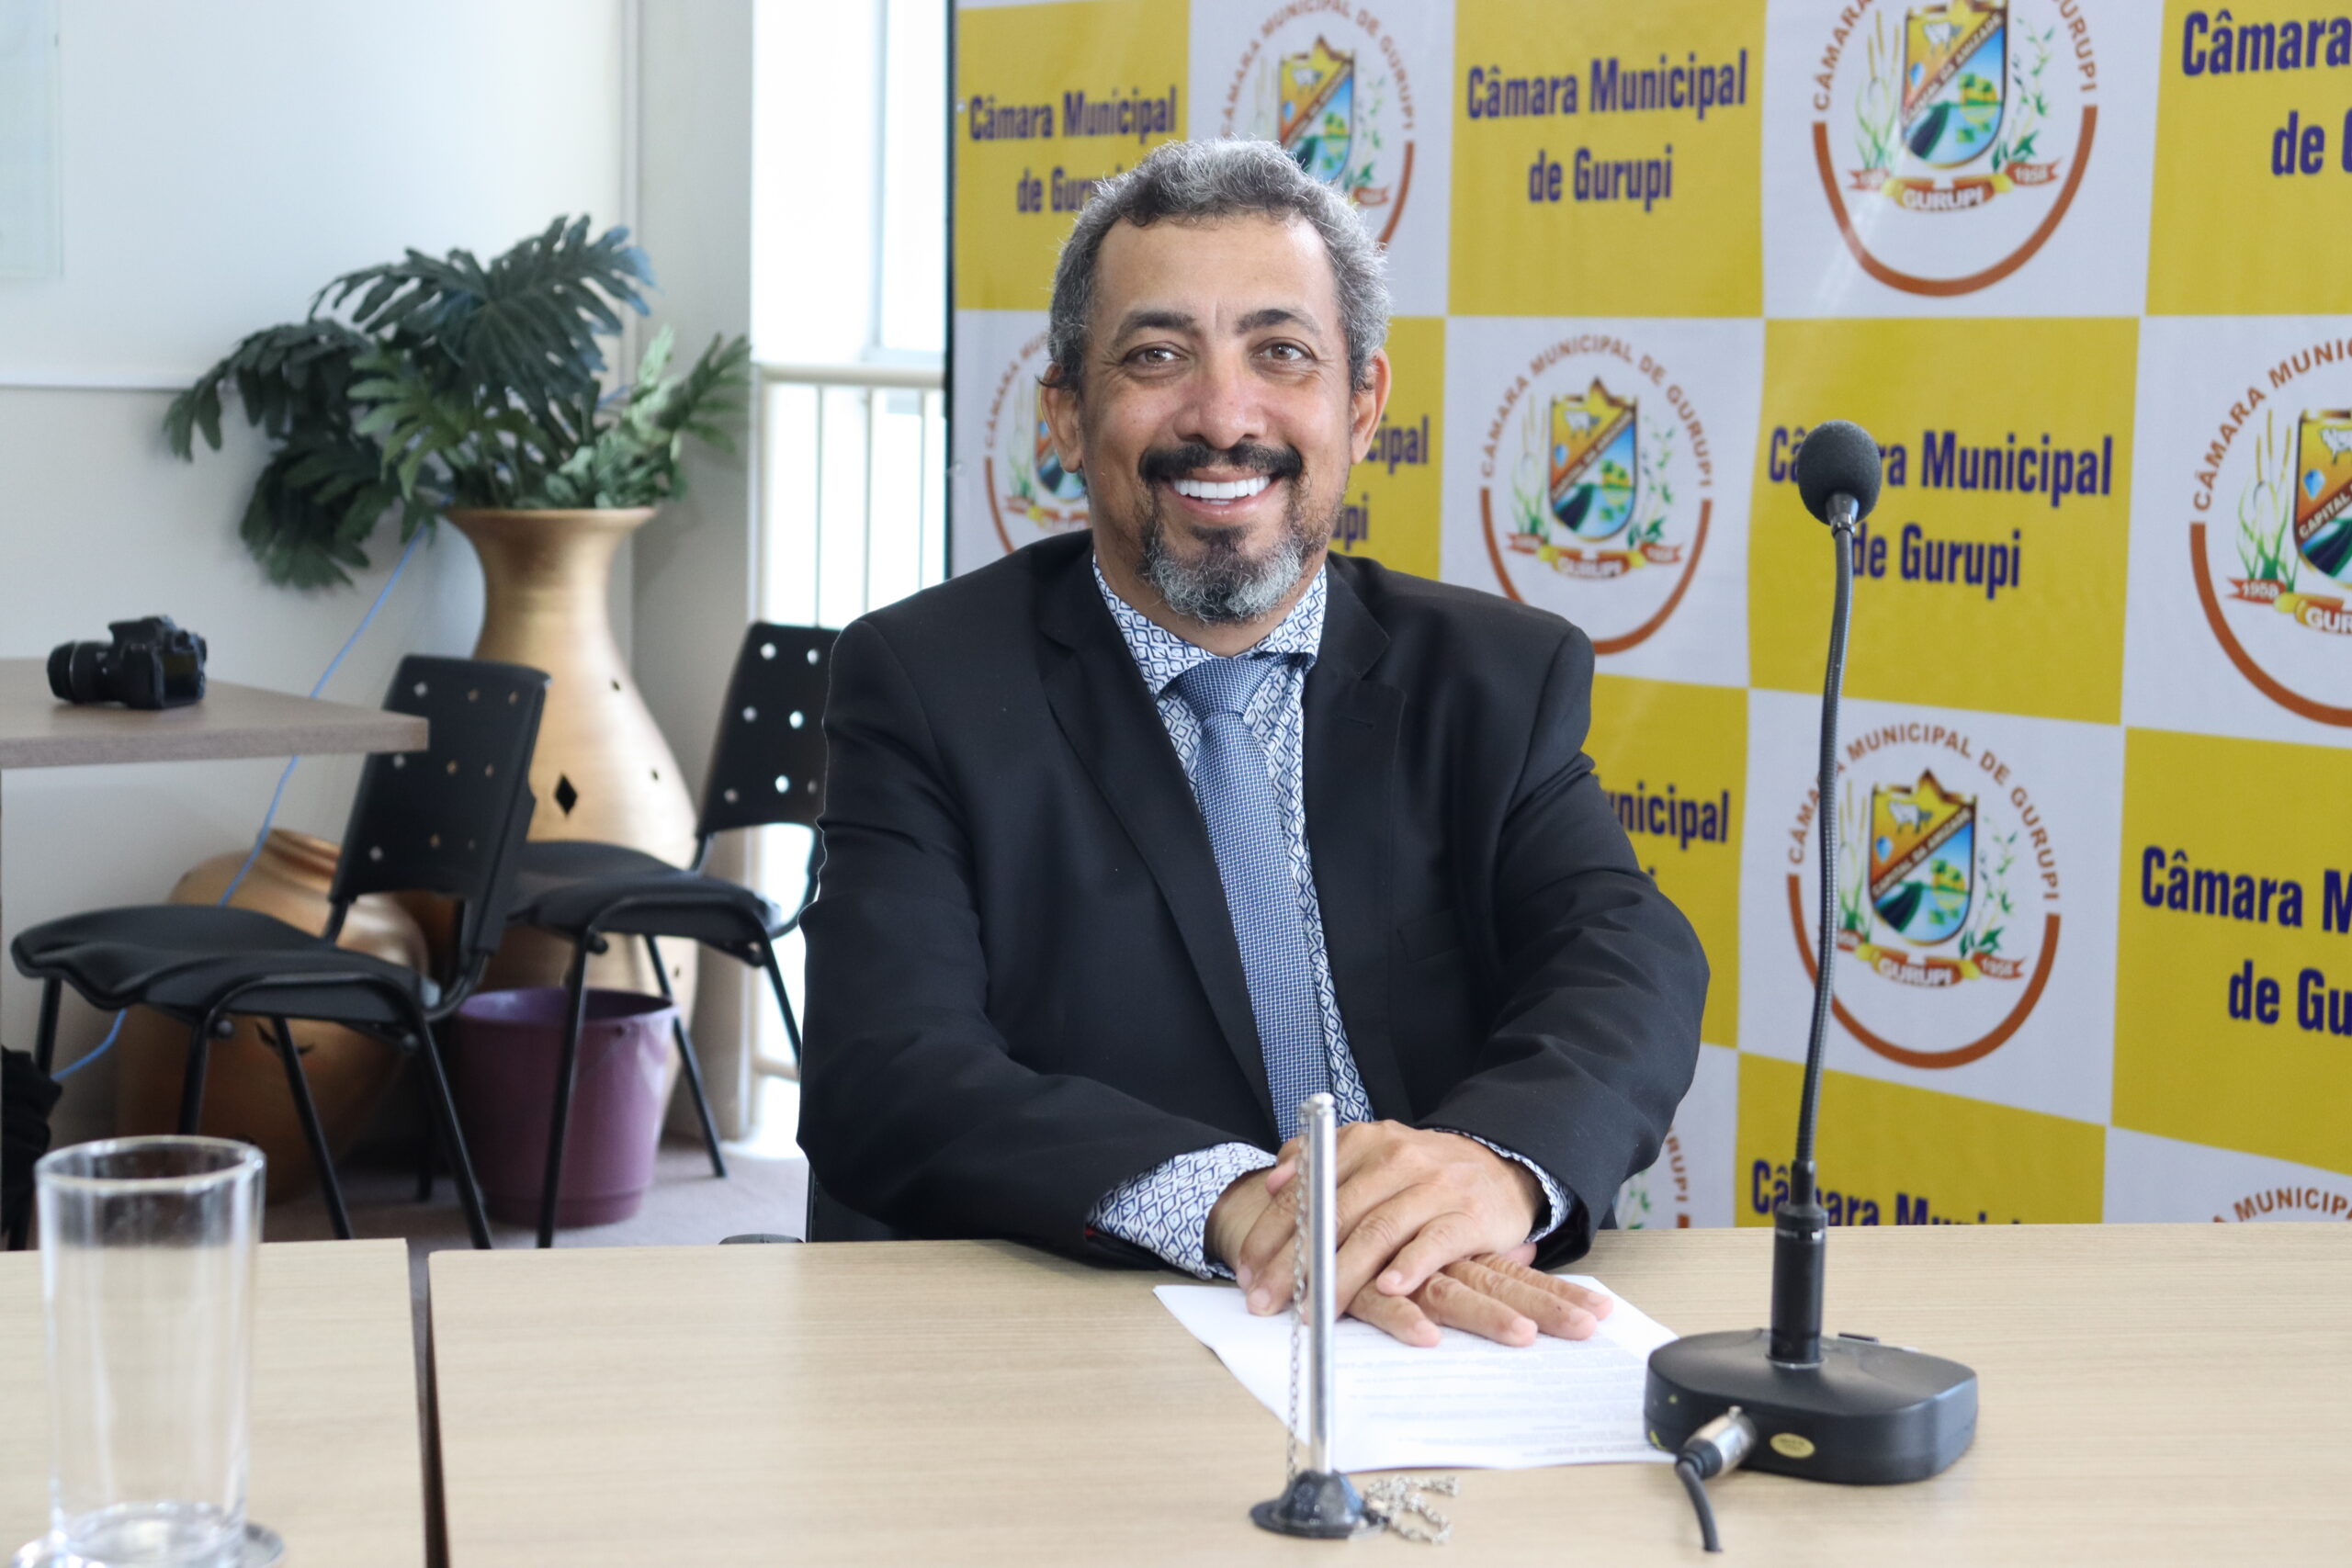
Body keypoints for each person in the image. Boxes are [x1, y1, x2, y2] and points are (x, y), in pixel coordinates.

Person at [801, 138, 1705, 1347]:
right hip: (1086, 1336)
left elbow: (1627, 955)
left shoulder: (1497, 677)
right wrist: (1241, 1210)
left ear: (1361, 405)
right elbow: (886, 1068)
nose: (1224, 417)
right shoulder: (924, 682)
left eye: (1281, 353)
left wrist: (1485, 1167)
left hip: (1441, 1331)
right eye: (1157, 356)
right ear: (1066, 412)